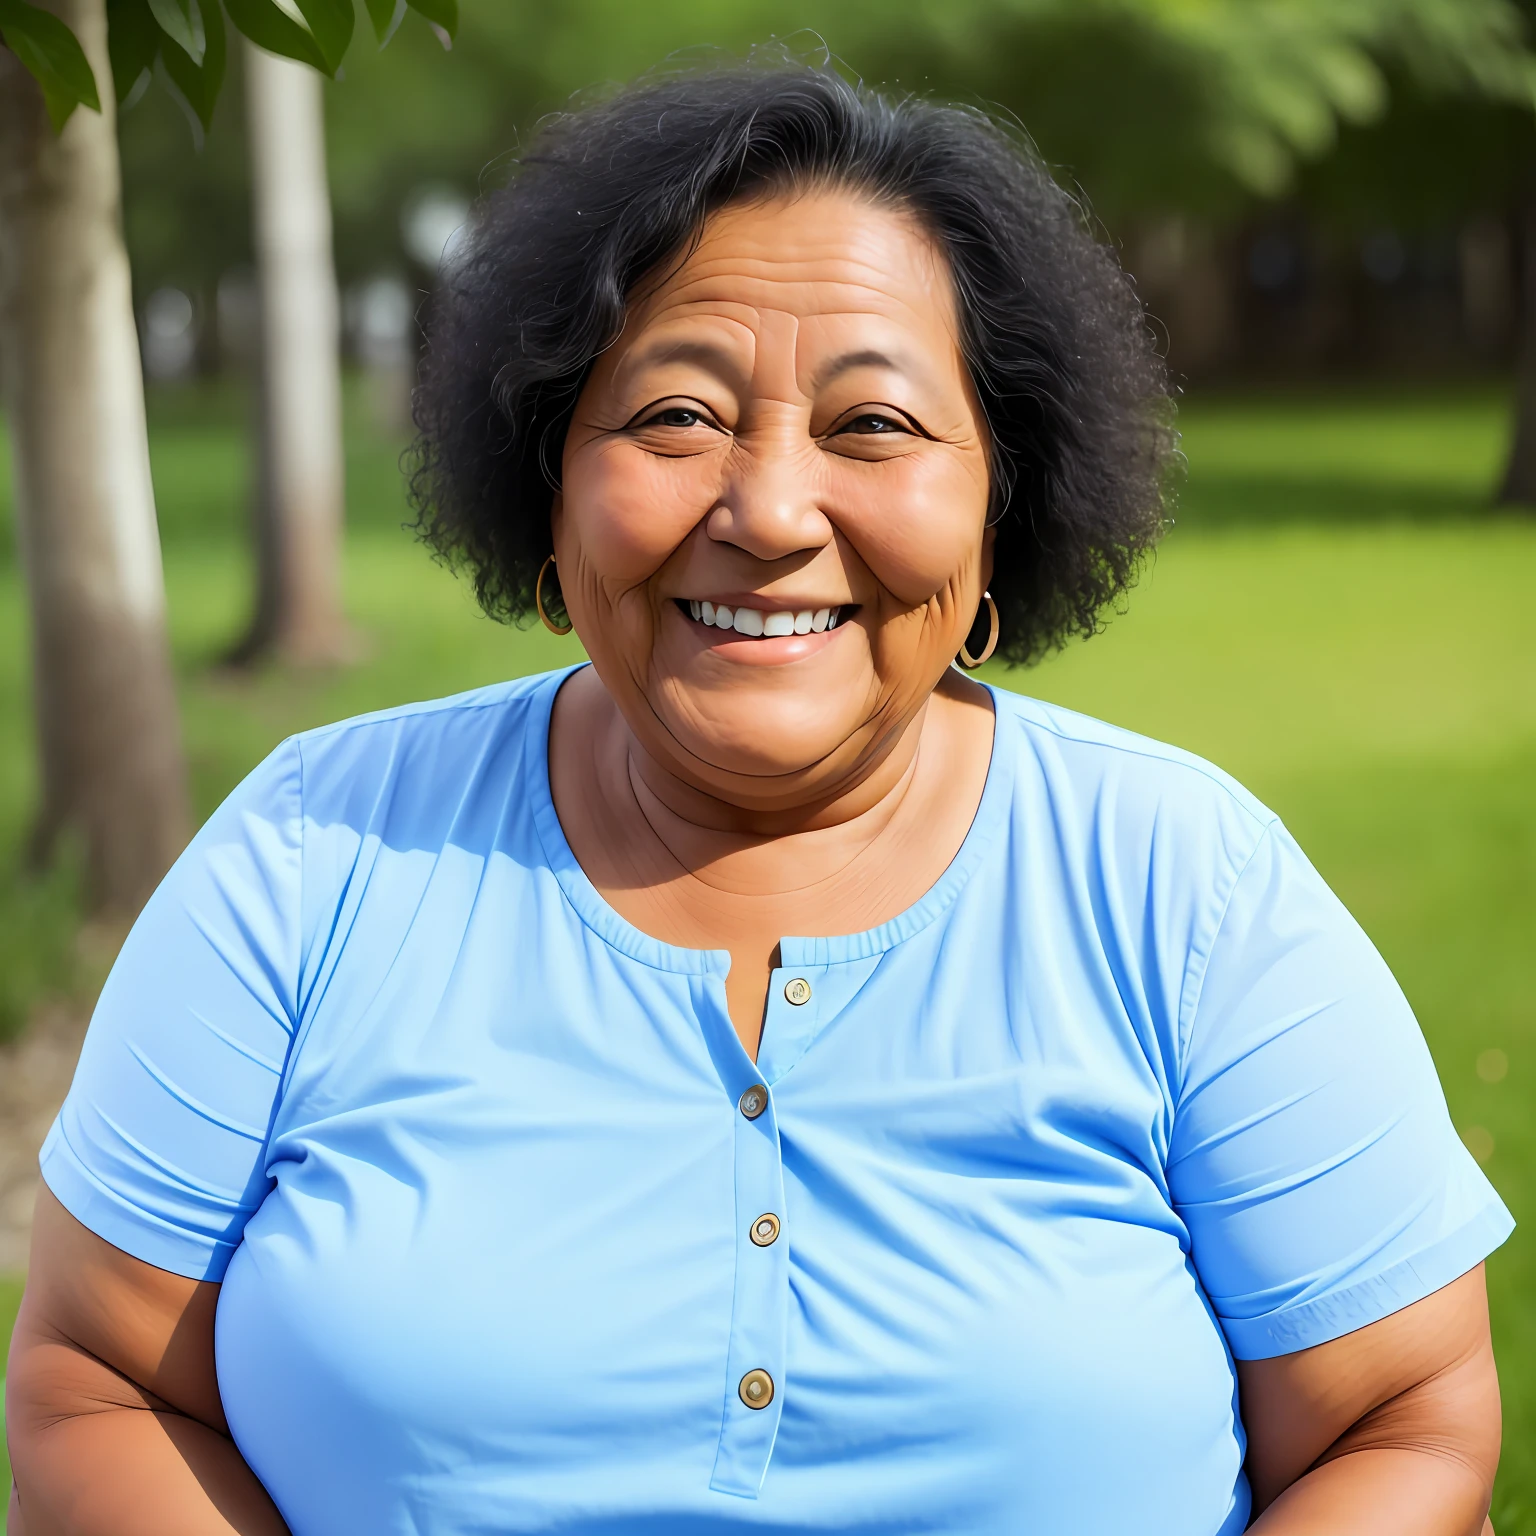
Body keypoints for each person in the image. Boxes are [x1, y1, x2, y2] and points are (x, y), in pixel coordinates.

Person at [5, 60, 1512, 1536]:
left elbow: (1405, 1417)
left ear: (1006, 498)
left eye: (874, 426)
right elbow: (91, 1381)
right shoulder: (315, 850)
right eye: (674, 417)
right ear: (548, 480)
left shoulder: (1186, 890)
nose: (770, 512)